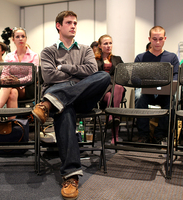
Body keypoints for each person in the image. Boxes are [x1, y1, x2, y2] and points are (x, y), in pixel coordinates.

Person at [31, 11, 110, 200]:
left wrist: (64, 68)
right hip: (62, 97)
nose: (73, 26)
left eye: (75, 22)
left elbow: (92, 71)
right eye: (69, 22)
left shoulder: (85, 49)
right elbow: (49, 76)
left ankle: (48, 104)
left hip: (81, 99)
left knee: (103, 76)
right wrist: (78, 77)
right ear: (58, 25)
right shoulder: (48, 51)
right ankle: (71, 176)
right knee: (64, 110)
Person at [0, 28, 39, 124]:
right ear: (13, 40)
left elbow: (32, 76)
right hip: (11, 87)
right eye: (17, 37)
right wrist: (7, 79)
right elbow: (4, 73)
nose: (20, 39)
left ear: (26, 38)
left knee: (9, 86)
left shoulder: (34, 55)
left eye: (23, 36)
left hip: (27, 88)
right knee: (12, 92)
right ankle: (11, 125)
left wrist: (18, 81)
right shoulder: (9, 56)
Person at [135, 26, 179, 144]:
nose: (158, 42)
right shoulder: (141, 57)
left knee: (171, 101)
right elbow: (135, 77)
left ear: (165, 39)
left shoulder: (172, 57)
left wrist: (170, 85)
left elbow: (176, 75)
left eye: (160, 39)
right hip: (146, 90)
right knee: (139, 98)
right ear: (149, 39)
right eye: (154, 39)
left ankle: (159, 134)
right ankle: (143, 135)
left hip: (164, 91)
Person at [95, 34, 124, 144]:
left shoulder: (117, 59)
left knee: (119, 87)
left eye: (110, 43)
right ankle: (114, 134)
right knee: (111, 96)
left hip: (116, 88)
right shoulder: (95, 60)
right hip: (102, 89)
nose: (108, 46)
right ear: (100, 46)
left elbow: (123, 75)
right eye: (105, 43)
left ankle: (111, 117)